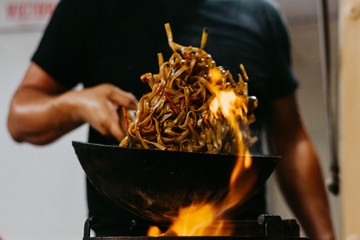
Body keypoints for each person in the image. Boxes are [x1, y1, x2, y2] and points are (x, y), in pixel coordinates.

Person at [7, 0, 335, 239]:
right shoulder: (90, 7)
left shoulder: (261, 14)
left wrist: (325, 236)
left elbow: (292, 140)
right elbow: (20, 117)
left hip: (236, 230)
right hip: (126, 231)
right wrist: (77, 103)